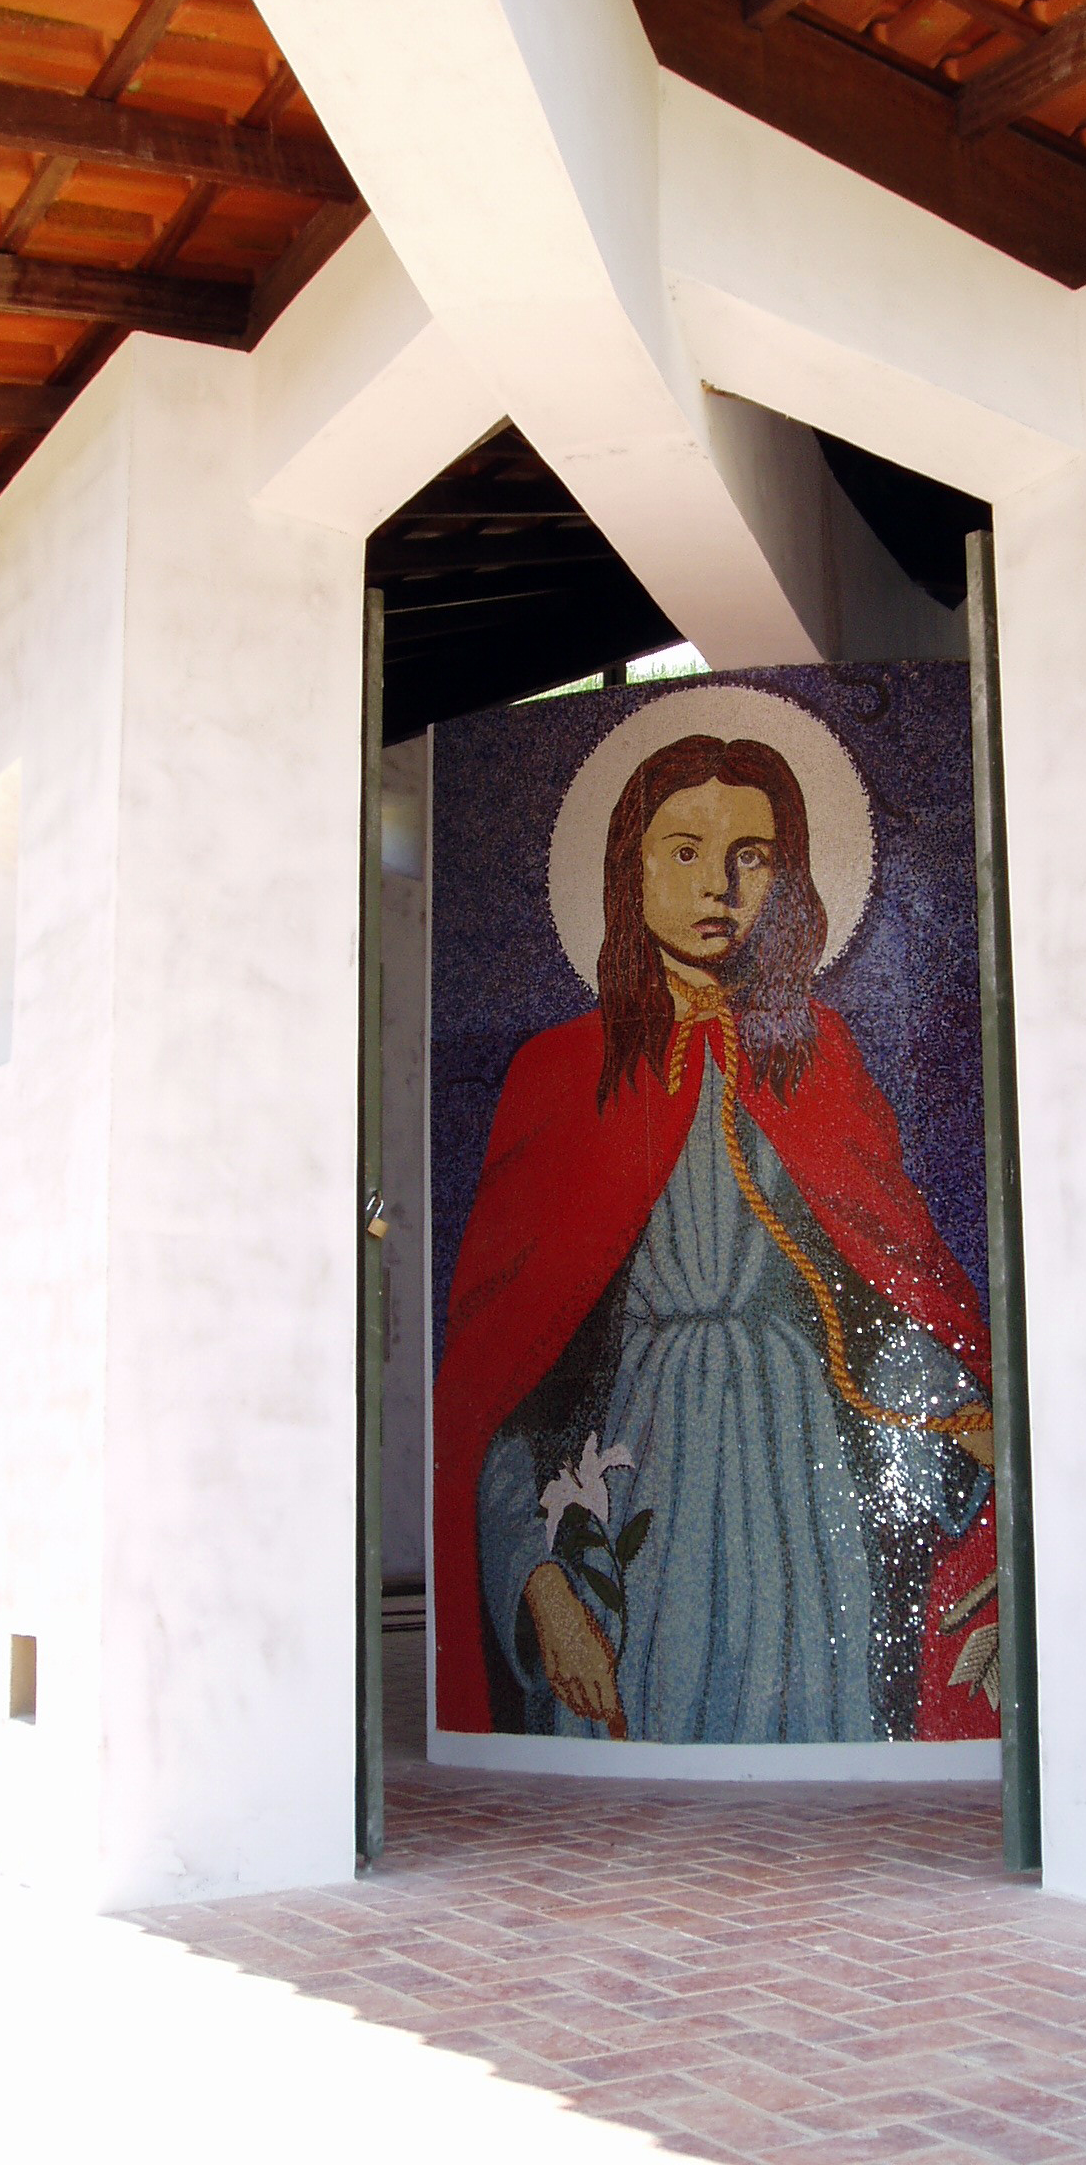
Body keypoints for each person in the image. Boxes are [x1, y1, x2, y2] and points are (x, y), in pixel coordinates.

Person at [435, 732, 994, 1742]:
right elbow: (505, 1380)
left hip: (799, 1468)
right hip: (642, 1458)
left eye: (753, 854)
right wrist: (540, 1584)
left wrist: (970, 1410)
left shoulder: (819, 1057)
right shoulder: (560, 1075)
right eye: (684, 849)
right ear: (628, 868)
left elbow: (879, 1289)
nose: (720, 885)